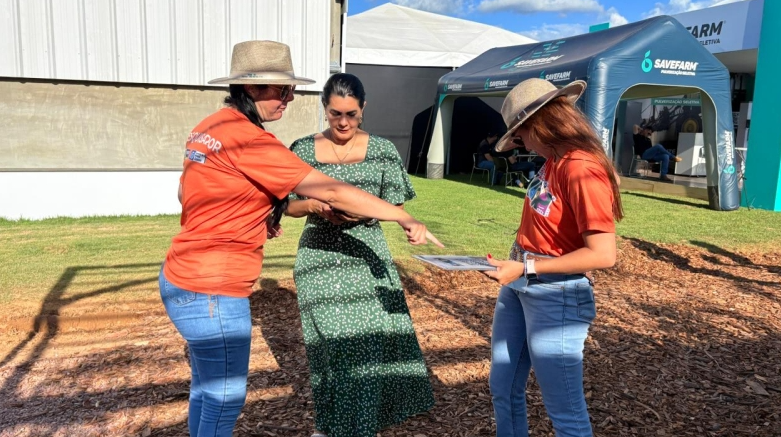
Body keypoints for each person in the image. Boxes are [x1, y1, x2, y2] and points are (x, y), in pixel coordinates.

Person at [159, 41, 442, 437]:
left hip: (180, 274)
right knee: (224, 398)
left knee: (205, 390)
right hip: (212, 287)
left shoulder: (210, 128)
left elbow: (184, 191)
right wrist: (402, 216)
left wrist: (255, 213)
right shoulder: (251, 139)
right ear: (252, 88)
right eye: (283, 90)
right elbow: (333, 191)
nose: (289, 98)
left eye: (291, 90)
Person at [284, 73, 435, 437]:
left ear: (363, 108)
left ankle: (361, 425)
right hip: (320, 259)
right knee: (331, 347)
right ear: (324, 108)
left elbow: (395, 206)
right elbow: (285, 206)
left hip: (367, 257)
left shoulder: (382, 150)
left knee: (367, 345)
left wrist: (397, 222)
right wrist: (313, 206)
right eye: (335, 113)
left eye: (351, 114)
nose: (343, 122)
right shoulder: (301, 149)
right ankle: (330, 424)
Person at [483, 78, 624, 437]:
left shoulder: (581, 168)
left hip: (555, 294)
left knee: (565, 411)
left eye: (519, 136)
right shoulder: (555, 161)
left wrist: (526, 266)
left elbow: (603, 253)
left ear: (540, 124)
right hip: (521, 282)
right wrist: (517, 264)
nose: (520, 144)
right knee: (503, 387)